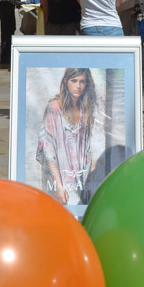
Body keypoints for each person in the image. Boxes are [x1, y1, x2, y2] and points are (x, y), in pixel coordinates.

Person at [36, 68, 106, 205]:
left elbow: (85, 148)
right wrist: (58, 184)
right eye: (74, 81)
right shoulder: (54, 108)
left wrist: (86, 180)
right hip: (59, 177)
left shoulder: (85, 108)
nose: (78, 86)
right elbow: (48, 147)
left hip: (80, 178)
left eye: (82, 82)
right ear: (66, 81)